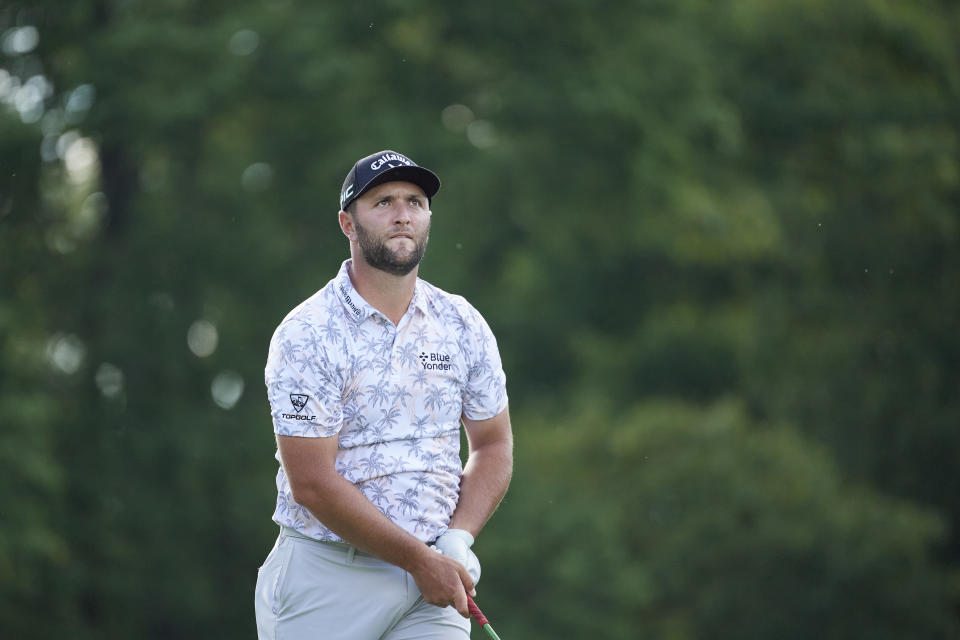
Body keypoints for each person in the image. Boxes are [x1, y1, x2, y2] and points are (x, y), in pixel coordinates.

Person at [255, 149, 513, 640]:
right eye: (383, 202)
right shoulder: (307, 332)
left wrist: (457, 538)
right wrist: (420, 559)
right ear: (347, 224)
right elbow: (310, 482)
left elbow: (493, 444)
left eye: (415, 202)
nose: (402, 214)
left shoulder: (461, 323)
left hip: (431, 584)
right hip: (327, 576)